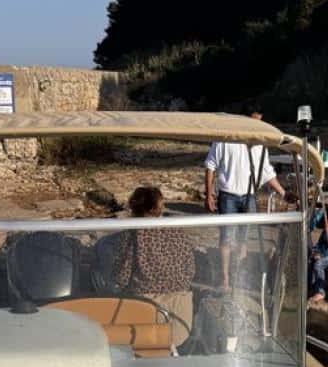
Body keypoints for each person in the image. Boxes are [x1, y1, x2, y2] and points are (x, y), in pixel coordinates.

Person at [204, 106, 285, 291]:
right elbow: (210, 166)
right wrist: (208, 194)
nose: (257, 126)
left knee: (244, 239)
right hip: (228, 195)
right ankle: (225, 278)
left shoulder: (260, 143)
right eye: (254, 121)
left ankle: (239, 276)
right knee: (226, 238)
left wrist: (283, 192)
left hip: (250, 195)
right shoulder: (224, 139)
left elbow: (267, 172)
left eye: (259, 122)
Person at [112, 185, 195, 344]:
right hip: (180, 316)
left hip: (145, 312)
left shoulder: (131, 233)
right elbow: (190, 268)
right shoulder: (176, 230)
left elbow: (121, 275)